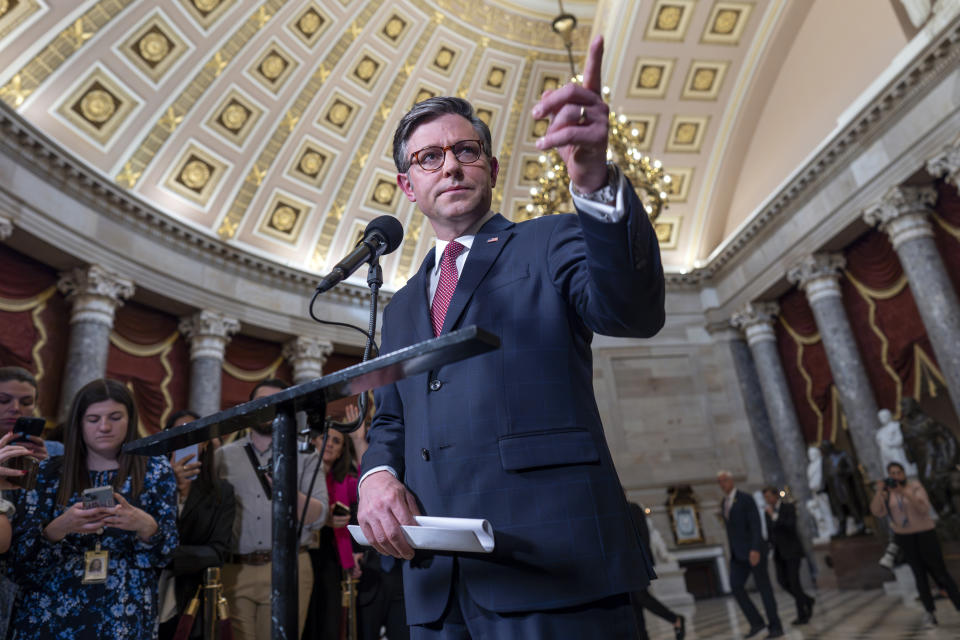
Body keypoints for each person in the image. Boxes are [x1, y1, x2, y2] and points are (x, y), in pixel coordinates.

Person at [357, 35, 664, 638]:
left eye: (466, 151)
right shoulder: (398, 311)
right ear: (406, 186)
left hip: (553, 569)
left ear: (492, 169)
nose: (450, 165)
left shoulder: (549, 241)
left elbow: (631, 310)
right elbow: (390, 422)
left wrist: (597, 182)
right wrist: (375, 478)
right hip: (437, 590)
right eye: (429, 158)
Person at [9, 378, 178, 639]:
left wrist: (146, 525)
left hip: (124, 611)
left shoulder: (154, 469)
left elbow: (167, 556)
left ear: (130, 420)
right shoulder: (48, 473)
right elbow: (18, 563)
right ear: (79, 422)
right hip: (52, 610)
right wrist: (59, 527)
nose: (105, 427)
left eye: (115, 417)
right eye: (93, 419)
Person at [216, 378, 329, 640]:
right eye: (261, 403)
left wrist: (286, 486)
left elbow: (320, 516)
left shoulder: (307, 455)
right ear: (248, 408)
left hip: (290, 567)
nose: (268, 408)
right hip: (236, 569)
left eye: (276, 403)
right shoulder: (224, 456)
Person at [157, 410, 236, 640]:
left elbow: (218, 551)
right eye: (178, 433)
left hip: (190, 597)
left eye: (194, 435)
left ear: (204, 445)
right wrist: (168, 486)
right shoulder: (150, 486)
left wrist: (168, 557)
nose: (186, 441)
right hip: (147, 592)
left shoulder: (221, 492)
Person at [870, 461, 960, 627]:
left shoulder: (915, 486)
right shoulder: (887, 493)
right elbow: (877, 512)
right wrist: (878, 492)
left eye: (898, 472)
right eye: (892, 473)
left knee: (940, 573)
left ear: (904, 474)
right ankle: (930, 613)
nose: (896, 476)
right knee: (919, 576)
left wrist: (903, 492)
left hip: (925, 535)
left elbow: (924, 509)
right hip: (905, 538)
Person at [303, 425, 361, 639]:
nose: (329, 443)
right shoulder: (301, 475)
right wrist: (321, 518)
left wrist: (358, 439)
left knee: (329, 622)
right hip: (302, 553)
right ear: (314, 441)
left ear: (341, 451)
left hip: (331, 558)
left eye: (336, 441)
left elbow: (367, 484)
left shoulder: (343, 480)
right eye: (325, 437)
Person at [717, 471, 783, 639]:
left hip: (754, 551)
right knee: (736, 586)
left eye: (724, 480)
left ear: (731, 481)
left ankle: (776, 627)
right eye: (719, 482)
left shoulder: (745, 498)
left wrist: (755, 549)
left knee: (764, 588)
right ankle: (757, 623)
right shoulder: (724, 502)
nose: (722, 484)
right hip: (738, 554)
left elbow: (755, 524)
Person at [628, 501, 685, 640]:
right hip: (626, 566)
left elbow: (644, 536)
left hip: (637, 563)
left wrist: (644, 562)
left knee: (641, 597)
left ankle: (675, 619)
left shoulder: (633, 508)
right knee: (634, 604)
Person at [761, 488, 814, 625]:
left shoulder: (788, 507)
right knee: (782, 581)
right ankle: (807, 600)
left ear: (775, 496)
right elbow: (770, 531)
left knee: (794, 582)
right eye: (765, 497)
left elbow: (790, 525)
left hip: (792, 551)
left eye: (768, 496)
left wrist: (774, 517)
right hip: (778, 553)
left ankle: (802, 616)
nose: (767, 499)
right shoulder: (767, 513)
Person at [0, 365, 63, 458]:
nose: (15, 408)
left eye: (26, 402)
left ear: (35, 405)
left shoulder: (57, 451)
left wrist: (48, 467)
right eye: (3, 400)